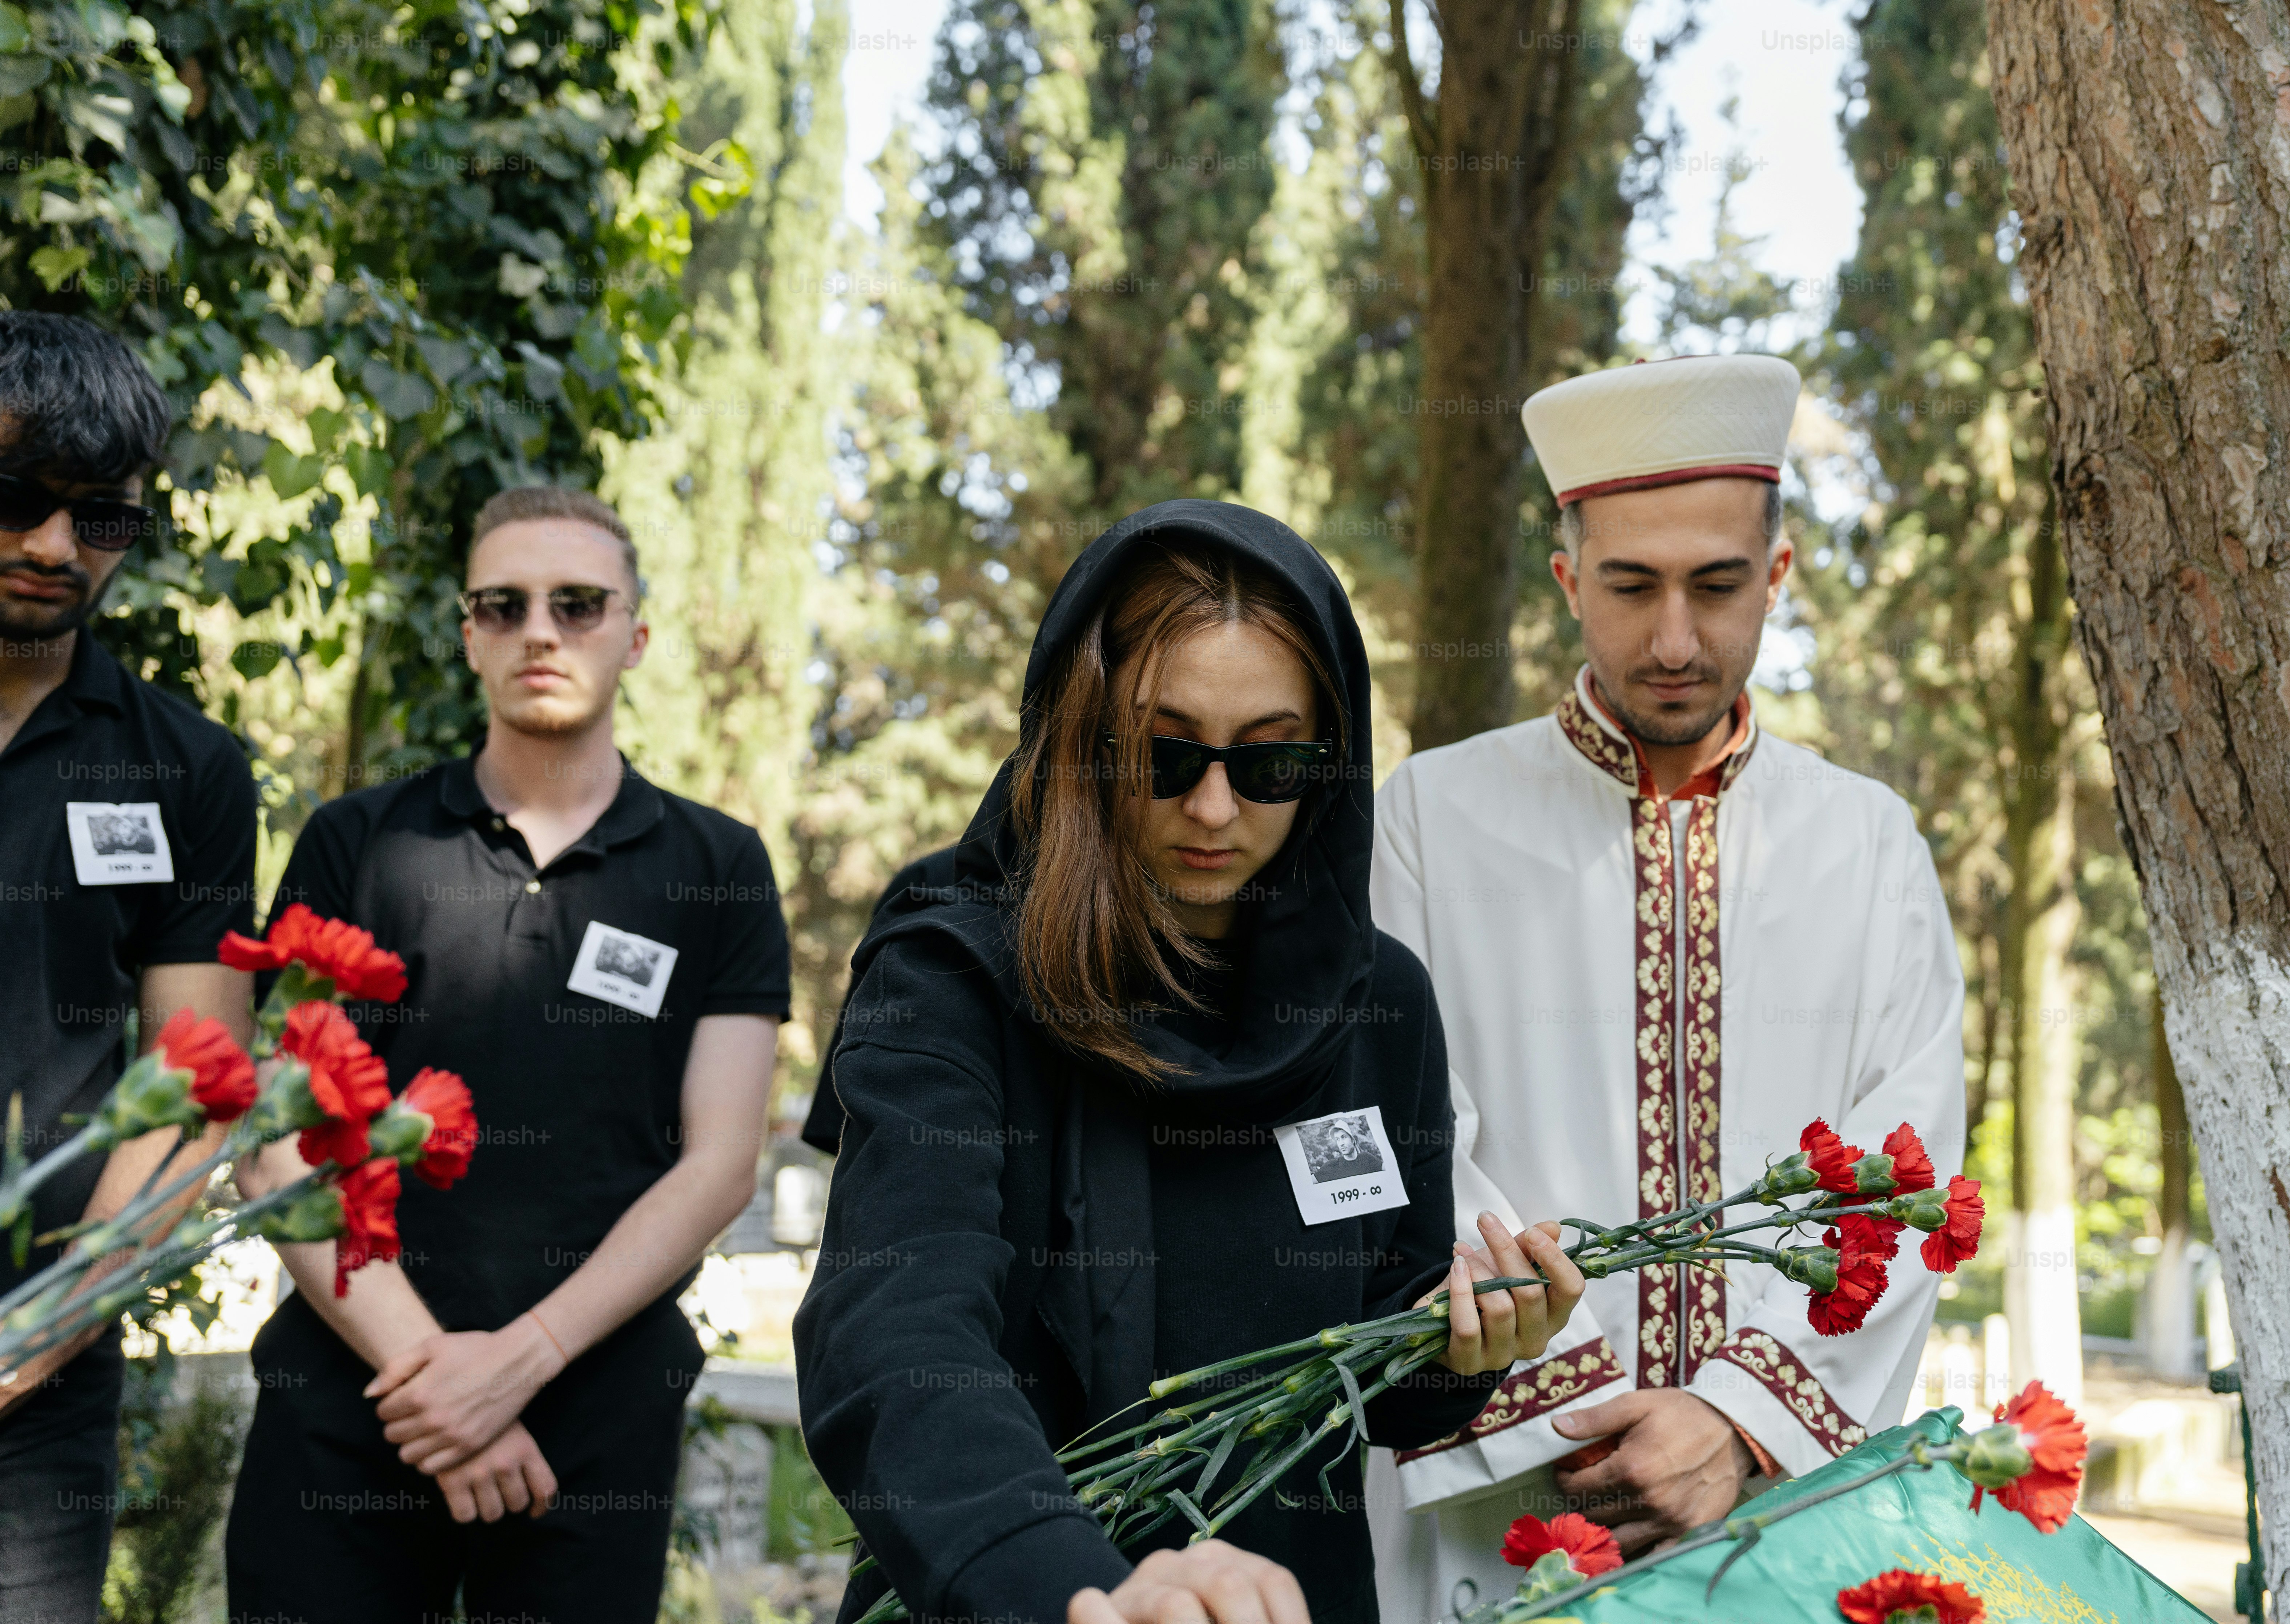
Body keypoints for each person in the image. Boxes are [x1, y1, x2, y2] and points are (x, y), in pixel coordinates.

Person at [794, 500, 1586, 1624]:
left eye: (1271, 762)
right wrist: (1076, 1582)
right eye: (1164, 755)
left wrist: (1467, 1347)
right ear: (1084, 736)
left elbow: (1379, 1383)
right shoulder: (951, 979)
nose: (1214, 808)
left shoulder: (1378, 1006)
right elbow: (895, 1329)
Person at [1362, 355, 1968, 1617]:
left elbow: (1907, 1167)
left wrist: (1738, 1421)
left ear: (1779, 576)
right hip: (1505, 1501)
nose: (1677, 641)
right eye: (1632, 587)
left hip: (1780, 1504)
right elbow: (1401, 1137)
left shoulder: (1866, 843)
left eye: (1719, 586)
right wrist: (1578, 1411)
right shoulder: (1430, 818)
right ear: (1568, 579)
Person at [223, 486, 792, 1623]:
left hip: (594, 1418)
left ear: (636, 635)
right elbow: (277, 1140)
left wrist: (517, 1364)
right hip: (352, 1394)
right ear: (469, 633)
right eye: (506, 605)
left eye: (578, 604)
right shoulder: (358, 843)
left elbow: (721, 1164)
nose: (541, 631)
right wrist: (442, 1385)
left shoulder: (719, 867)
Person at [0, 312, 257, 1624]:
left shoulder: (186, 771)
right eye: (19, 499)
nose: (56, 546)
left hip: (35, 1397)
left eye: (100, 516)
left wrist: (38, 1334)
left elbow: (196, 1084)